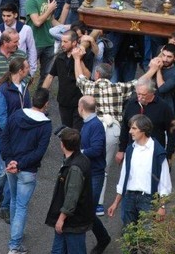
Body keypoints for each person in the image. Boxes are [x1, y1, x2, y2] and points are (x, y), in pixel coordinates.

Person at [73, 53, 136, 216]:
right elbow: (138, 82)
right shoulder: (119, 88)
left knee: (85, 161)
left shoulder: (90, 87)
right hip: (113, 129)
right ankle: (98, 205)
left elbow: (79, 77)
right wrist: (154, 68)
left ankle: (83, 199)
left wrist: (76, 59)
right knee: (103, 168)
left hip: (94, 127)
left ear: (97, 74)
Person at [0, 88, 51, 254]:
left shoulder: (16, 115)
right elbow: (39, 152)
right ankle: (14, 245)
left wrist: (9, 161)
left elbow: (5, 138)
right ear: (46, 104)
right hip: (27, 170)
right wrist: (19, 164)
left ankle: (15, 237)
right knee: (21, 206)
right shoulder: (45, 125)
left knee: (14, 201)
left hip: (10, 167)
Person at [108, 115, 172, 231]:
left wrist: (162, 207)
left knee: (147, 238)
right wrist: (115, 202)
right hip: (129, 198)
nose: (130, 131)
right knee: (129, 235)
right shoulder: (130, 150)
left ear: (144, 130)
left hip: (148, 199)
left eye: (134, 128)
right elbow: (124, 177)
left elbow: (164, 182)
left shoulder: (158, 152)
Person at [0, 30, 27, 221]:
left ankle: (5, 204)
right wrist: (11, 133)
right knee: (1, 169)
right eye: (15, 41)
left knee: (10, 169)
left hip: (15, 132)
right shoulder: (2, 91)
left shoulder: (23, 85)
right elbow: (2, 118)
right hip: (3, 131)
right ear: (5, 41)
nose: (18, 44)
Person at [45, 128, 94, 254]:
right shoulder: (81, 159)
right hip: (72, 221)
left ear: (63, 144)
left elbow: (72, 196)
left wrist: (61, 219)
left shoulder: (74, 167)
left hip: (73, 223)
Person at [115, 79, 175, 166]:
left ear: (152, 93)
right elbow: (125, 127)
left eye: (143, 95)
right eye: (138, 94)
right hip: (133, 151)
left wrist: (169, 155)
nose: (139, 97)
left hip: (154, 153)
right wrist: (121, 149)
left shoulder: (163, 107)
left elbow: (173, 132)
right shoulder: (132, 104)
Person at [78, 96, 111, 254]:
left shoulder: (95, 125)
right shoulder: (88, 123)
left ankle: (102, 239)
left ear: (81, 107)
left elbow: (96, 149)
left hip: (95, 174)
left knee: (88, 211)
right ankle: (102, 238)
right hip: (86, 172)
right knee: (86, 210)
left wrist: (78, 153)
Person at [43, 30, 93, 130]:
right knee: (66, 130)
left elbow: (87, 76)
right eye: (62, 41)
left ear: (74, 43)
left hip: (79, 103)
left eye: (65, 42)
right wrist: (42, 95)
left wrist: (78, 59)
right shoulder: (60, 58)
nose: (62, 44)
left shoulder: (85, 55)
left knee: (77, 132)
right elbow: (50, 76)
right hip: (63, 102)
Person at [25, 0, 58, 87]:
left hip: (49, 42)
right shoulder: (31, 0)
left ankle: (40, 101)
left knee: (46, 75)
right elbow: (37, 22)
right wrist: (49, 9)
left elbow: (52, 20)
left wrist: (66, 28)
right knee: (28, 73)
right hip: (35, 43)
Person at [0, 3, 37, 76]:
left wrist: (32, 72)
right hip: (1, 70)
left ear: (15, 15)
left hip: (20, 70)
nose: (5, 19)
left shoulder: (26, 29)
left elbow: (32, 50)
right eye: (3, 16)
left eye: (8, 16)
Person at [147, 43, 175, 112]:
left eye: (169, 57)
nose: (165, 59)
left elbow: (162, 89)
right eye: (163, 55)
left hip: (164, 107)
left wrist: (158, 69)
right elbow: (144, 80)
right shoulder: (155, 65)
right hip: (149, 103)